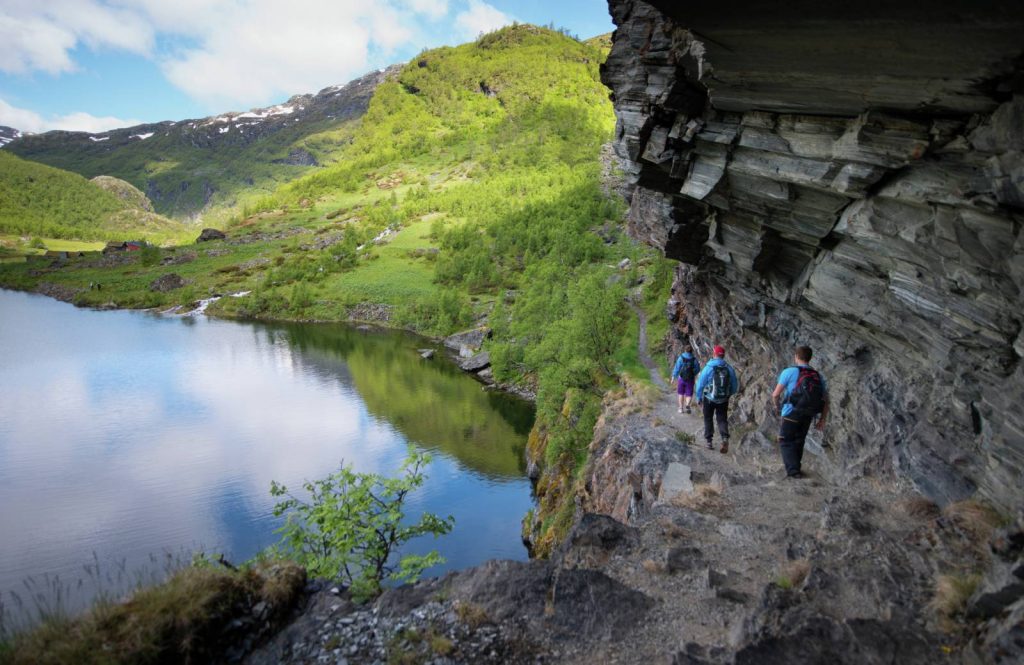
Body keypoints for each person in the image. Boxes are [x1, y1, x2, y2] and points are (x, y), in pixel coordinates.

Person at [771, 346, 829, 479]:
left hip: (792, 411)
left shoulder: (789, 372)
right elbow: (826, 400)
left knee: (785, 439)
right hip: (809, 413)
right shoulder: (817, 375)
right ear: (810, 358)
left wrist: (777, 407)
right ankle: (796, 468)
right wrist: (822, 419)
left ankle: (793, 471)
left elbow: (775, 394)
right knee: (799, 440)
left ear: (796, 356)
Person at [695, 345, 739, 453]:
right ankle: (724, 438)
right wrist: (728, 394)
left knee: (708, 418)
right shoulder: (729, 368)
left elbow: (700, 383)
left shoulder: (709, 367)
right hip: (723, 399)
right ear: (723, 356)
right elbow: (734, 385)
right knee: (722, 419)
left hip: (709, 398)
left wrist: (698, 397)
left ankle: (709, 441)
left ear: (714, 354)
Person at [670, 345, 701, 414]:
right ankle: (687, 405)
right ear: (692, 351)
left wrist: (673, 377)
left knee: (680, 393)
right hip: (690, 379)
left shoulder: (681, 358)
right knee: (689, 394)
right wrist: (693, 373)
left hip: (681, 378)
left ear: (685, 350)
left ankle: (681, 409)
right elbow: (698, 369)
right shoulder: (694, 359)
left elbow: (677, 368)